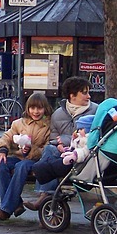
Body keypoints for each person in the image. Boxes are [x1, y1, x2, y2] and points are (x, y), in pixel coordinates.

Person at [23, 76, 98, 210]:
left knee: (49, 156)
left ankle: (44, 196)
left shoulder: (95, 111)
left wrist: (66, 140)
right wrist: (59, 145)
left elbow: (95, 136)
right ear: (72, 95)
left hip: (84, 154)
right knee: (49, 150)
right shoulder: (58, 114)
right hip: (63, 154)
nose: (89, 96)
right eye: (85, 93)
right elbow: (53, 138)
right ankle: (47, 197)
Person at [0, 92, 52, 220]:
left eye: (39, 108)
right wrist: (2, 149)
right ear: (28, 108)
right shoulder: (19, 123)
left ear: (45, 109)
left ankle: (6, 209)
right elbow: (6, 137)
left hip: (35, 160)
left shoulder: (48, 126)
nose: (35, 111)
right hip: (17, 156)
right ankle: (16, 203)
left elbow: (48, 148)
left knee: (22, 166)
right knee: (1, 164)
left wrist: (33, 149)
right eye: (32, 108)